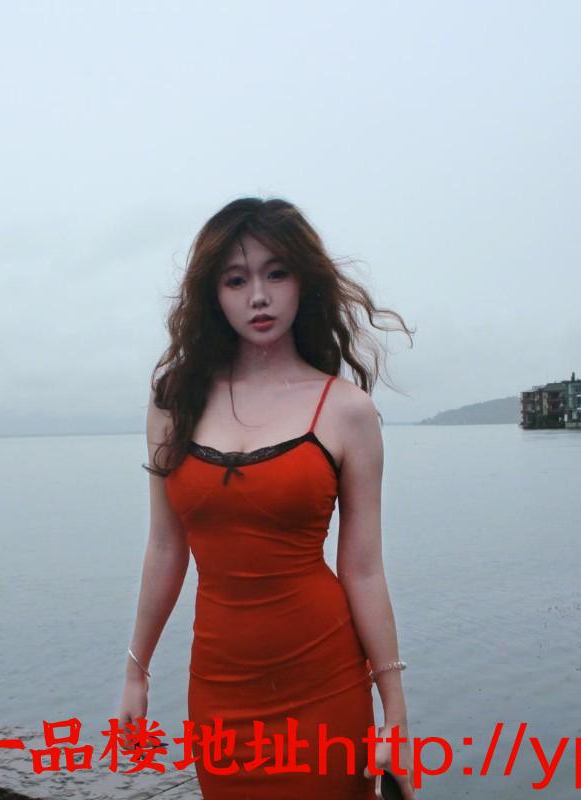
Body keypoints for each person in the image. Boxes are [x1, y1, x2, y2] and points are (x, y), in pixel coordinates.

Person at [117, 197, 417, 799]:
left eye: (276, 273)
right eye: (236, 279)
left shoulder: (347, 411)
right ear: (213, 294)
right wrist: (136, 671)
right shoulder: (174, 404)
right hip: (219, 690)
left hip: (325, 683)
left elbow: (362, 568)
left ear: (304, 281)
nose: (258, 296)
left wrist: (395, 713)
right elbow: (166, 546)